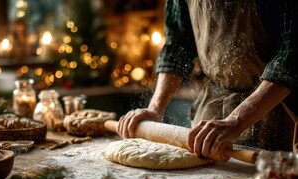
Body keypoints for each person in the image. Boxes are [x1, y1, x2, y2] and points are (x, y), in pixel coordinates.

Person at [118, 0, 297, 161]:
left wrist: (236, 121)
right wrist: (155, 109)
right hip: (211, 116)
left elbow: (291, 57)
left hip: (277, 112)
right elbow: (177, 46)